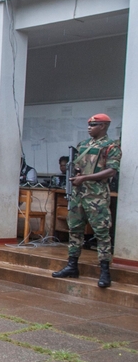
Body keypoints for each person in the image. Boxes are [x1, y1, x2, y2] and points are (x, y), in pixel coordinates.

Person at [52, 113, 121, 288]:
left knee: (102, 233)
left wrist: (85, 178)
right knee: (75, 229)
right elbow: (77, 167)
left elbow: (112, 171)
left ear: (103, 126)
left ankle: (105, 271)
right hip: (78, 194)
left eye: (94, 125)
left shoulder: (111, 146)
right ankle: (72, 266)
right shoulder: (82, 145)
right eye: (89, 125)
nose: (89, 127)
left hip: (97, 196)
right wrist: (76, 174)